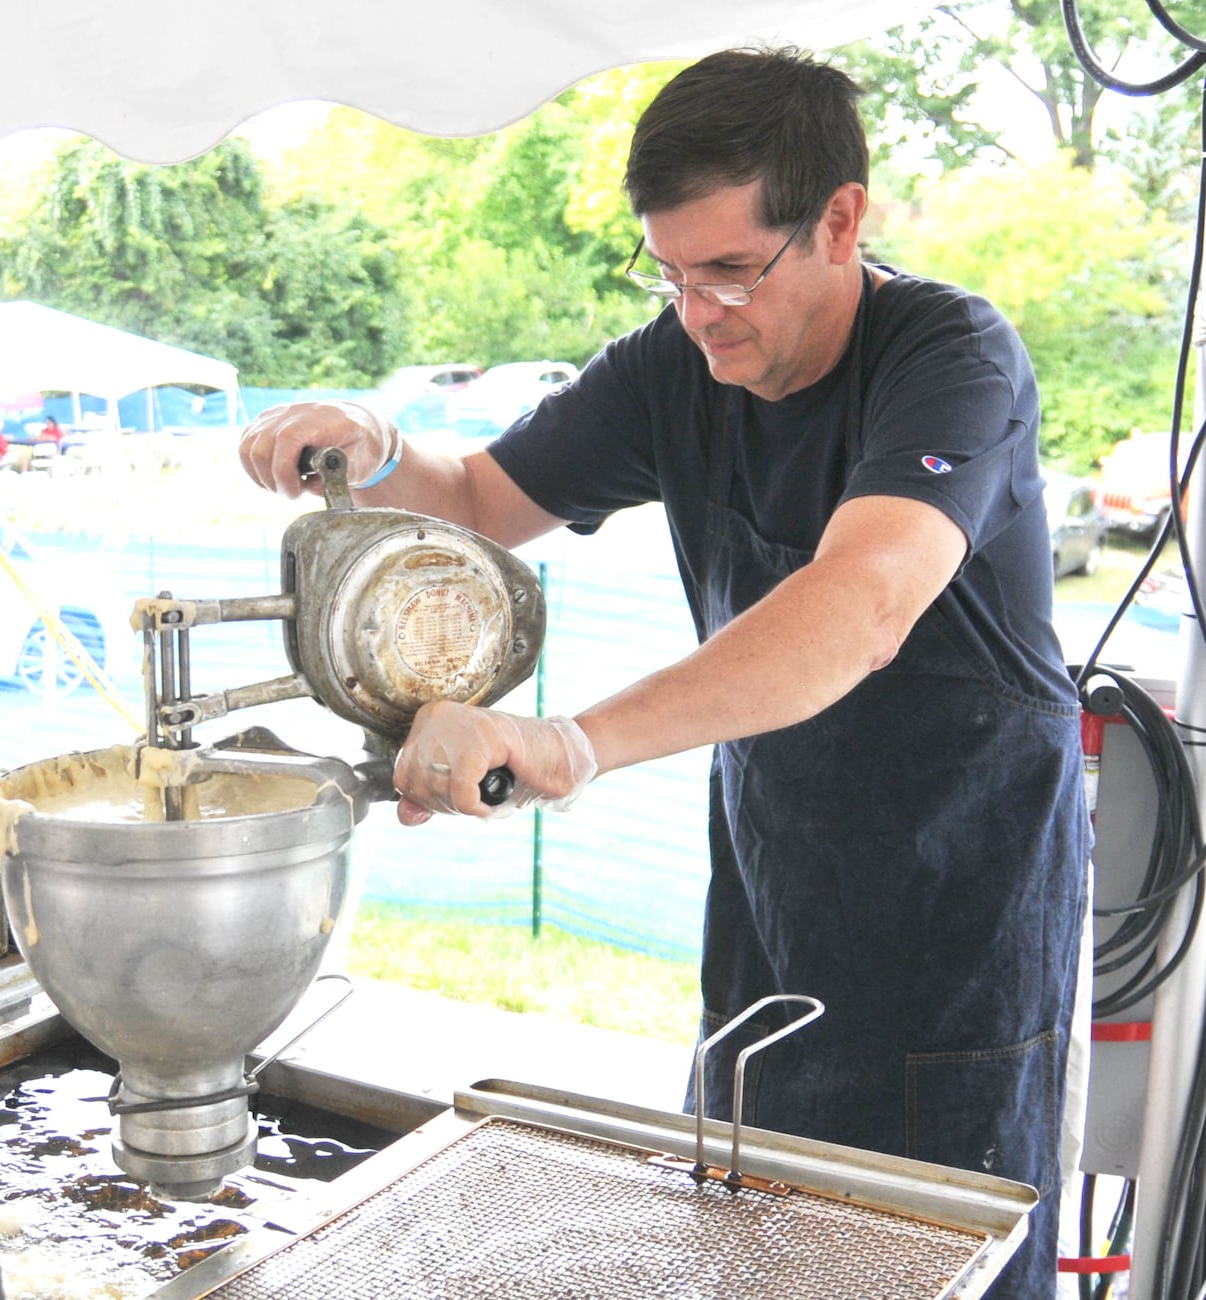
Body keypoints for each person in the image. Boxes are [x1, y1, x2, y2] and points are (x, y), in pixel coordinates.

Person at [238, 47, 1088, 1297]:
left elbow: (858, 606)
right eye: (673, 274)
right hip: (775, 882)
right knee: (748, 1232)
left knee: (934, 1259)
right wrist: (374, 448)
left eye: (734, 271)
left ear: (840, 220)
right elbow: (476, 500)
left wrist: (568, 743)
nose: (700, 313)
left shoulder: (948, 358)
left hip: (962, 909)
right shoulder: (675, 363)